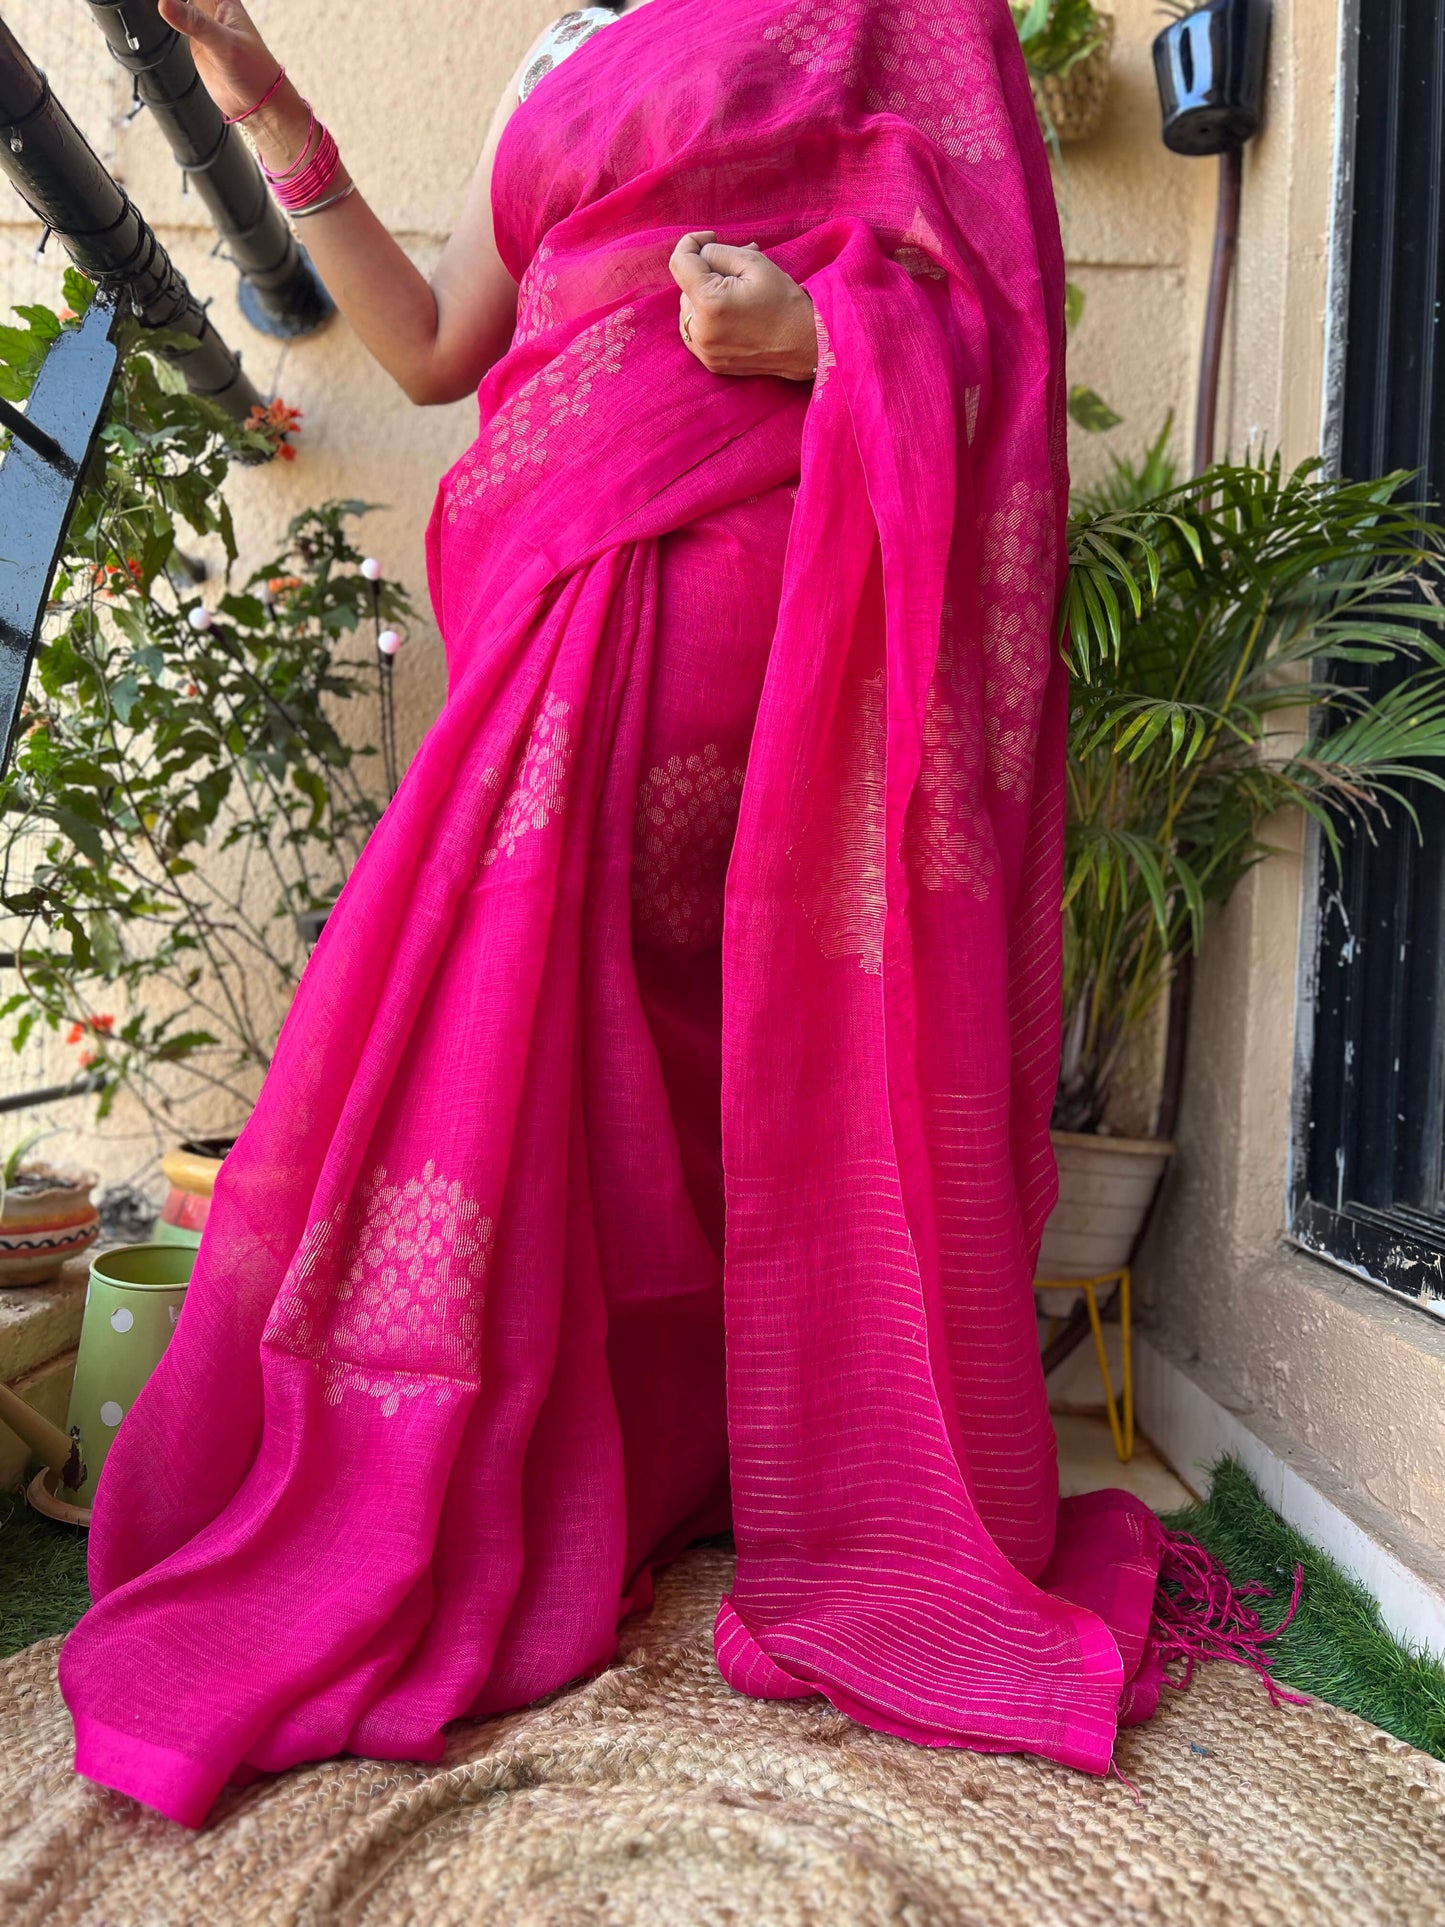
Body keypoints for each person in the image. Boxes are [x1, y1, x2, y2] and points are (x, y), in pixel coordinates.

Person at [59, 0, 1189, 1830]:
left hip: (765, 597)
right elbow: (432, 349)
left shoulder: (895, 20)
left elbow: (994, 333)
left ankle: (743, 1463)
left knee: (711, 1063)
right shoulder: (563, 49)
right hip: (549, 592)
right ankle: (632, 1475)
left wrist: (818, 333)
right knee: (569, 1073)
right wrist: (267, 102)